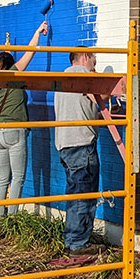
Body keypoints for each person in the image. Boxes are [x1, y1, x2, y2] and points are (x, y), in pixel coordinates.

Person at [0, 20, 49, 217]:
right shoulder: (13, 74)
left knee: (2, 179)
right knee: (18, 178)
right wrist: (38, 31)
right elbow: (30, 51)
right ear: (10, 65)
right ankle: (12, 218)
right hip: (14, 132)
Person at [53, 50, 105, 255]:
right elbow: (104, 94)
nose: (95, 65)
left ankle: (73, 239)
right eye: (94, 61)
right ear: (85, 57)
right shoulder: (85, 75)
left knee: (75, 193)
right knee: (84, 194)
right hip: (82, 142)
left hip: (65, 144)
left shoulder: (62, 78)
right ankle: (78, 243)